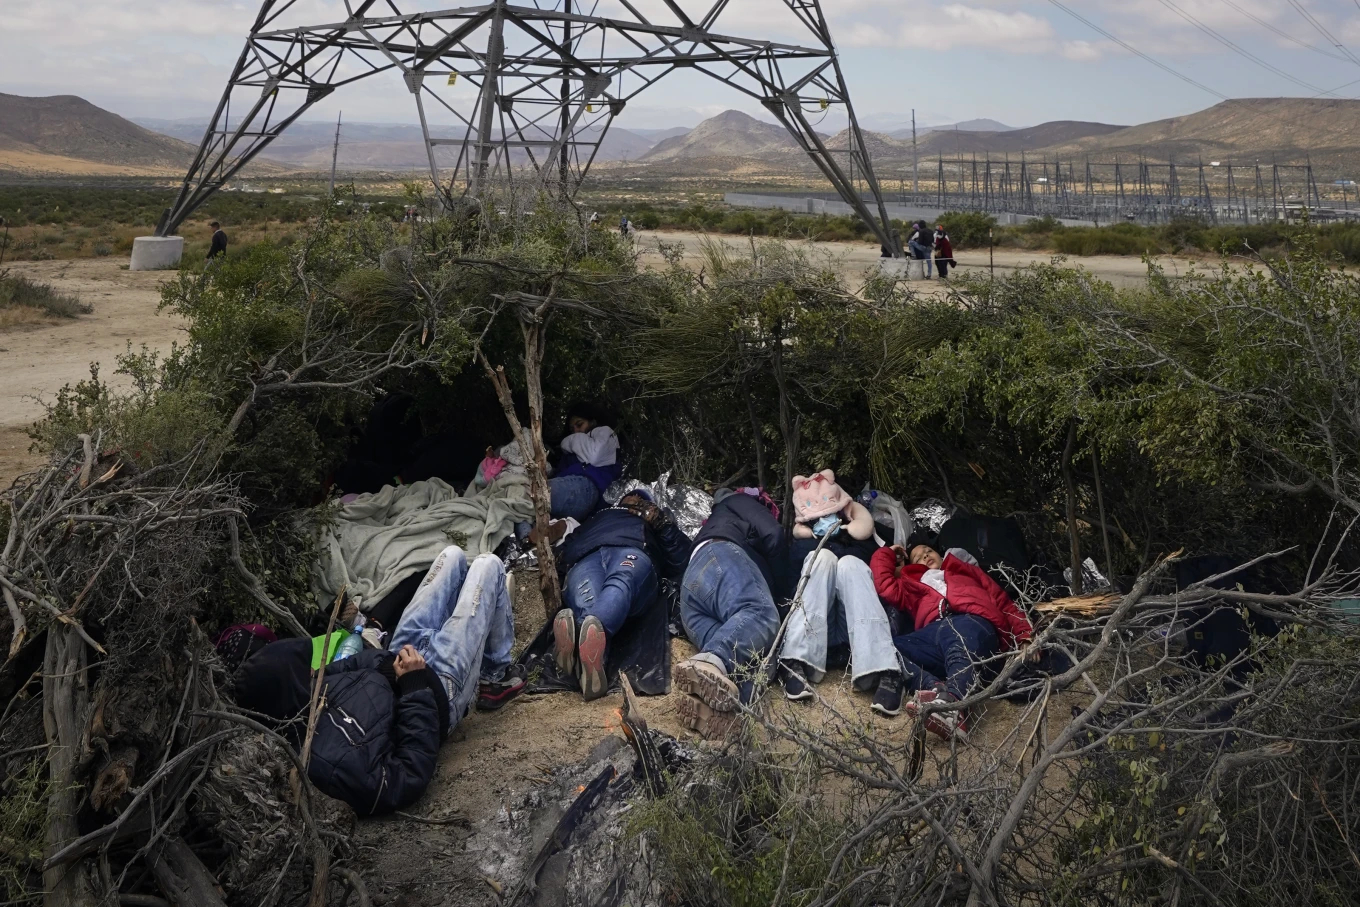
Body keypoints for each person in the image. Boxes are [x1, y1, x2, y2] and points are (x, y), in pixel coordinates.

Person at [233, 546, 524, 815]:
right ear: (286, 685)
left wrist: (386, 663)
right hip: (436, 691)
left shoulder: (310, 689)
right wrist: (414, 686)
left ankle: (470, 620)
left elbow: (353, 663)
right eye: (303, 670)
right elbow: (408, 776)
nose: (311, 671)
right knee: (489, 565)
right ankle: (493, 678)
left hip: (398, 656)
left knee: (452, 556)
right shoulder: (329, 760)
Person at [871, 543, 1034, 740]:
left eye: (928, 551)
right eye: (917, 557)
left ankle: (953, 706)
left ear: (940, 554)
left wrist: (1025, 634)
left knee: (960, 643)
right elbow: (884, 584)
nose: (925, 556)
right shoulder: (910, 584)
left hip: (973, 621)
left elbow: (1004, 603)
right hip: (932, 632)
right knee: (890, 647)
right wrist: (888, 553)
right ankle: (936, 689)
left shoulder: (966, 572)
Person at [545, 489, 693, 700]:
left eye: (642, 499)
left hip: (632, 550)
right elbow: (568, 546)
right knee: (585, 597)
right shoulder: (598, 516)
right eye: (632, 496)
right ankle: (592, 668)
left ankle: (579, 641)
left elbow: (681, 559)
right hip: (586, 557)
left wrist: (661, 523)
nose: (636, 499)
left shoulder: (648, 521)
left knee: (620, 583)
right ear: (619, 501)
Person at [780, 470, 905, 716]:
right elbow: (792, 583)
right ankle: (794, 660)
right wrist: (820, 539)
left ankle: (885, 668)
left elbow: (876, 573)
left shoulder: (863, 539)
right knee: (821, 559)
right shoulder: (801, 544)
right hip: (817, 633)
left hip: (856, 635)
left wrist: (853, 534)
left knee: (851, 564)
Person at [675, 487, 788, 739]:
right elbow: (774, 533)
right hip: (721, 558)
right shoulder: (737, 500)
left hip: (693, 593)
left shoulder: (714, 523)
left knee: (753, 662)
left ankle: (716, 713)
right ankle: (708, 660)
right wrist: (783, 594)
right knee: (762, 613)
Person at [550, 404, 622, 521]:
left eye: (579, 425)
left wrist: (567, 441)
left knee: (531, 494)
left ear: (592, 422)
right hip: (570, 487)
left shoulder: (605, 432)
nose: (576, 431)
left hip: (588, 485)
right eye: (572, 429)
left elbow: (595, 455)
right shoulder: (573, 449)